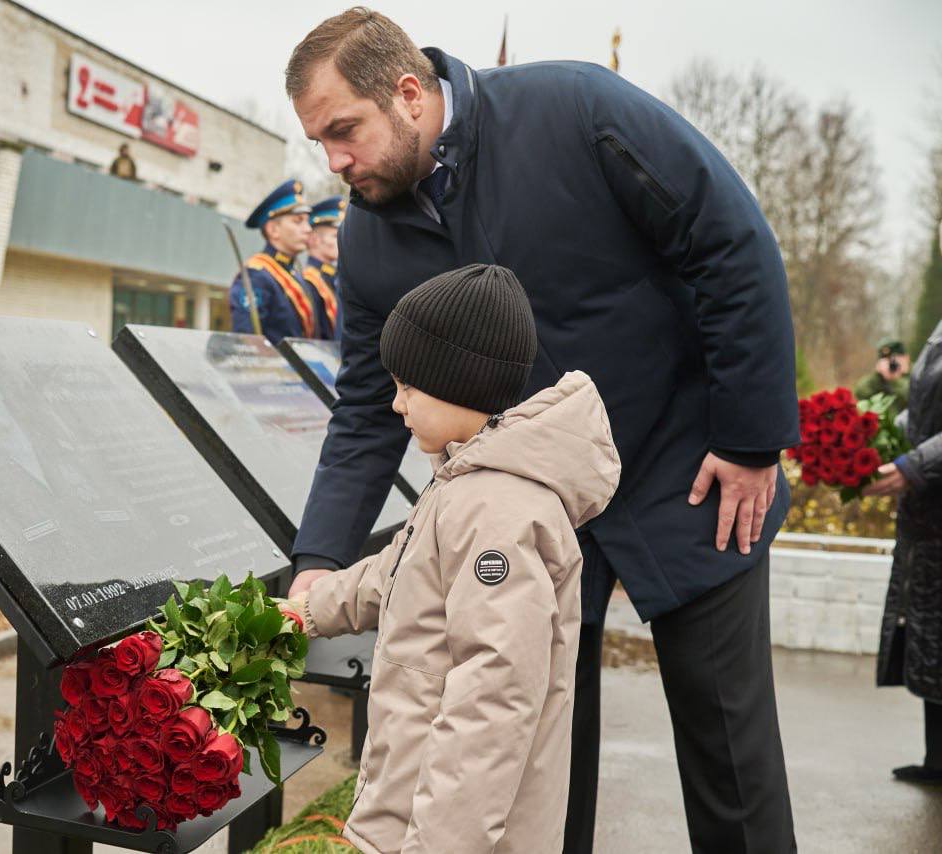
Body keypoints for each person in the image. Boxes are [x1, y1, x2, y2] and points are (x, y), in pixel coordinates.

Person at [285, 9, 799, 852]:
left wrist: (749, 441)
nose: (335, 162)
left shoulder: (577, 110)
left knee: (729, 755)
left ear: (409, 94)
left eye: (345, 131)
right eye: (319, 142)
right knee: (536, 763)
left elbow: (728, 243)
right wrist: (318, 564)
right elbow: (368, 407)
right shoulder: (368, 237)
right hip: (527, 516)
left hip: (691, 471)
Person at [287, 264, 620, 853]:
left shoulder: (497, 509)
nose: (395, 405)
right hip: (411, 803)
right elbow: (396, 572)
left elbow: (494, 698)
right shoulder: (467, 482)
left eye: (407, 387)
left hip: (448, 832)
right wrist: (309, 609)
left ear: (455, 380)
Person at [867, 312, 942, 784]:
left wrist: (916, 464)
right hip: (928, 516)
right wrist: (879, 435)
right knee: (931, 640)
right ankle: (937, 760)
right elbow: (924, 409)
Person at [229, 179, 316, 344]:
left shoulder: (294, 275)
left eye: (307, 221)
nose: (308, 229)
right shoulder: (256, 275)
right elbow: (247, 339)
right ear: (273, 229)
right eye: (298, 221)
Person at [303, 195, 346, 341]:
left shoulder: (333, 278)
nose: (341, 241)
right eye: (335, 236)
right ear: (314, 240)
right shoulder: (309, 280)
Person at [853, 336, 911, 420]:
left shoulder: (916, 374)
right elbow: (859, 392)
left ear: (906, 358)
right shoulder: (877, 380)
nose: (892, 364)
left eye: (894, 359)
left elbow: (911, 397)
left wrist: (895, 380)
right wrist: (878, 374)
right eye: (887, 361)